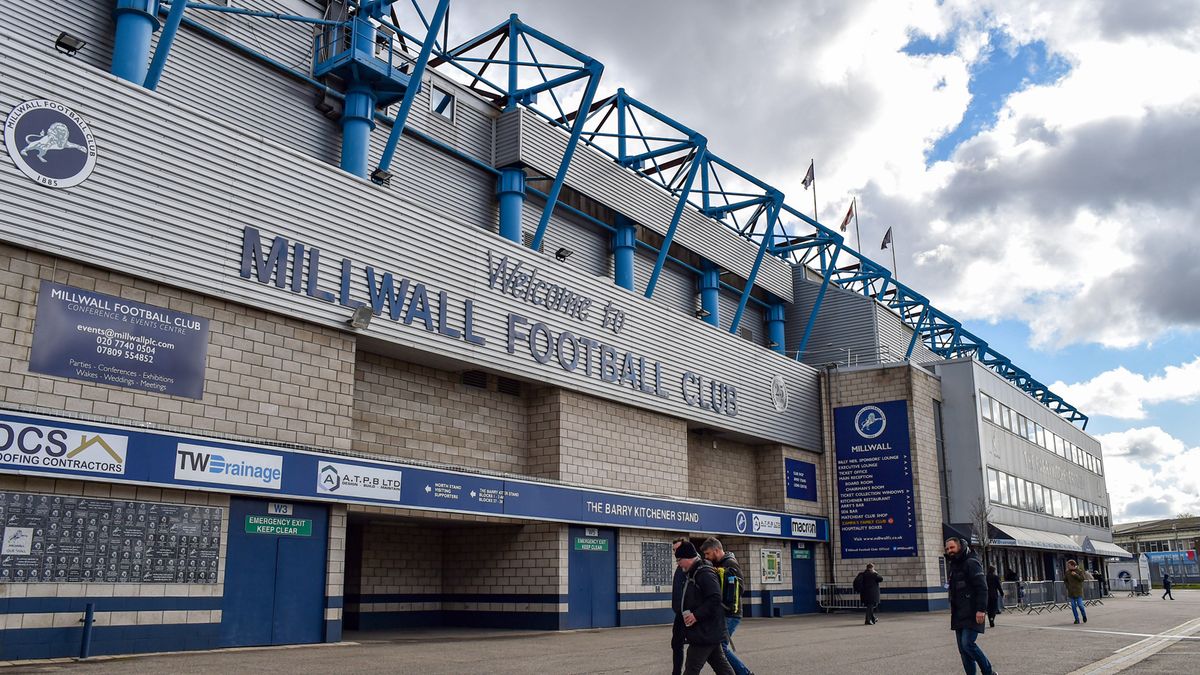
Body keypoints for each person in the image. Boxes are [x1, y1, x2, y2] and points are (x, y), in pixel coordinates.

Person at [676, 541, 735, 675]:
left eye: (679, 560)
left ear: (688, 558)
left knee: (692, 669)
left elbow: (715, 598)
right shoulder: (694, 572)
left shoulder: (703, 573)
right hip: (709, 631)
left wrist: (696, 615)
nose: (678, 564)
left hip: (704, 632)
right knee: (721, 667)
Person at [700, 537, 754, 675]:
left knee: (721, 647)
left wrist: (726, 602)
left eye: (708, 554)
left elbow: (740, 588)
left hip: (731, 613)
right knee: (719, 646)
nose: (706, 557)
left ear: (716, 550)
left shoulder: (730, 564)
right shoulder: (722, 564)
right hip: (725, 612)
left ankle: (744, 673)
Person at [945, 537, 996, 675]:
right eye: (947, 548)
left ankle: (989, 672)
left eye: (952, 547)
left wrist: (981, 609)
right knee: (963, 650)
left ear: (960, 547)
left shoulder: (971, 562)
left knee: (968, 644)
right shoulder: (954, 565)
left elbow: (982, 588)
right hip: (958, 614)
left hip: (973, 611)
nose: (950, 551)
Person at [671, 537, 689, 675]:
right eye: (673, 550)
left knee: (703, 649)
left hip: (689, 613)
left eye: (677, 549)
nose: (674, 552)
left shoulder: (691, 566)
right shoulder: (679, 567)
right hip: (679, 613)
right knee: (676, 643)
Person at [1064, 560, 1088, 624]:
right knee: (1073, 606)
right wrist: (1067, 586)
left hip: (1078, 591)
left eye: (1069, 565)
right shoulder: (1067, 572)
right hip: (1071, 592)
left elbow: (1082, 579)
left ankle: (1084, 615)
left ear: (1073, 565)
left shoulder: (1079, 571)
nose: (1068, 566)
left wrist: (1076, 575)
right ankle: (1076, 619)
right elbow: (1065, 580)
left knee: (1080, 605)